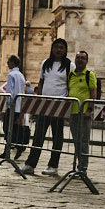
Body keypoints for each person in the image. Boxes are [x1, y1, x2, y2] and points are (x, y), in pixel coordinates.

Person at [27, 39, 72, 173]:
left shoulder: (70, 65)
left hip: (59, 106)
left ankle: (53, 166)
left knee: (57, 137)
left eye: (62, 47)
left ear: (65, 50)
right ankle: (30, 164)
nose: (59, 50)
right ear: (52, 48)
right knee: (38, 135)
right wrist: (39, 98)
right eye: (56, 47)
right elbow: (41, 82)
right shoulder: (45, 63)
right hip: (45, 105)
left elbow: (70, 85)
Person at [66, 50, 100, 178]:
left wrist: (89, 110)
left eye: (82, 58)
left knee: (84, 141)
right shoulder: (71, 75)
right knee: (76, 141)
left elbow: (93, 94)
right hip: (73, 112)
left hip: (84, 113)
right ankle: (78, 166)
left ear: (87, 61)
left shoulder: (90, 75)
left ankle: (83, 168)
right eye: (78, 58)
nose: (79, 60)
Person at [0, 58, 28, 161]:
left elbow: (9, 91)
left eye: (8, 62)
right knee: (14, 127)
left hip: (12, 105)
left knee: (7, 128)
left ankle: (18, 145)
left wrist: (7, 103)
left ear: (12, 63)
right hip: (19, 105)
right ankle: (8, 149)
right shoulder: (21, 75)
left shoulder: (11, 75)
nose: (7, 64)